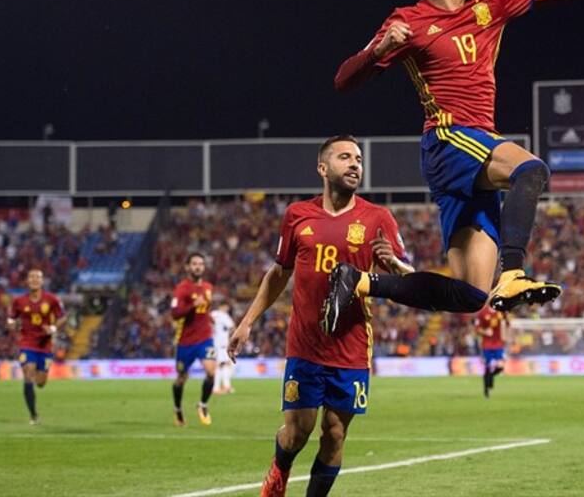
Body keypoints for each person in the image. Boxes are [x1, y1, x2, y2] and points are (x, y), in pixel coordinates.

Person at [334, 0, 584, 311]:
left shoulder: (490, 0)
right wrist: (380, 50)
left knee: (470, 295)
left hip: (473, 149)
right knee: (531, 170)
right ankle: (513, 274)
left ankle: (360, 281)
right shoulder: (408, 21)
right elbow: (344, 80)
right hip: (449, 138)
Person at [228, 135, 411, 497]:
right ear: (323, 168)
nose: (355, 163)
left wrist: (394, 264)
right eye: (345, 157)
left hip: (352, 346)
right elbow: (279, 273)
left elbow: (409, 279)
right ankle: (280, 469)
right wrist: (247, 322)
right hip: (306, 344)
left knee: (335, 433)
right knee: (297, 432)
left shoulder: (378, 218)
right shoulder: (297, 215)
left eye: (358, 158)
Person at [7, 268, 65, 425]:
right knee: (28, 372)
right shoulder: (19, 301)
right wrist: (12, 324)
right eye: (31, 277)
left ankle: (34, 406)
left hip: (45, 346)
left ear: (42, 281)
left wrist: (53, 328)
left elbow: (62, 317)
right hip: (27, 343)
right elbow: (11, 319)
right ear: (27, 281)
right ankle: (33, 415)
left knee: (40, 382)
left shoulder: (52, 300)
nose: (34, 279)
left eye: (38, 277)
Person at [170, 252, 216, 426]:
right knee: (181, 378)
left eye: (201, 264)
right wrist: (192, 306)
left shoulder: (208, 287)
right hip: (186, 342)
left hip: (205, 338)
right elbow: (175, 314)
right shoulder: (182, 289)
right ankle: (177, 409)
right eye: (195, 264)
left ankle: (202, 405)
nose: (198, 267)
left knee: (211, 372)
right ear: (187, 267)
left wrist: (209, 318)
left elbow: (204, 310)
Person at [475, 305, 506, 398]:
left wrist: (504, 335)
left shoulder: (500, 312)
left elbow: (505, 324)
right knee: (487, 367)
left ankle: (491, 377)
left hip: (498, 344)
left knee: (500, 366)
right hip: (487, 344)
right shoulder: (482, 313)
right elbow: (477, 328)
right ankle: (486, 389)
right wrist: (485, 332)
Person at [211, 303, 236, 394]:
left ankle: (223, 386)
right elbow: (232, 327)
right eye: (226, 307)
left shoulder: (212, 314)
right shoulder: (224, 315)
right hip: (222, 345)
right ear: (222, 306)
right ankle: (219, 387)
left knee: (216, 365)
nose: (227, 309)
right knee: (224, 364)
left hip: (211, 344)